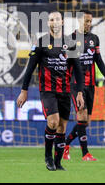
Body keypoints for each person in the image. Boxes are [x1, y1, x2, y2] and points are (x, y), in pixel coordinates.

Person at [17, 11, 85, 171]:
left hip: (65, 91)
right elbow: (30, 68)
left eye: (57, 19)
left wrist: (80, 92)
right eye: (51, 20)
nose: (54, 22)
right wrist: (24, 90)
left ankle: (58, 162)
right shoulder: (41, 43)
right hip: (47, 91)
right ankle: (48, 157)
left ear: (62, 22)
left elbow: (78, 70)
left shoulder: (71, 43)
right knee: (53, 122)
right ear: (48, 23)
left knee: (62, 127)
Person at [63, 10, 105, 161]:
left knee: (86, 121)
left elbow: (98, 59)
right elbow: (66, 64)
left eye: (91, 21)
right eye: (86, 21)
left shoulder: (94, 39)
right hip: (76, 84)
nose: (89, 24)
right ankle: (86, 154)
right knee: (81, 116)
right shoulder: (70, 39)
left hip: (90, 84)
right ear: (79, 21)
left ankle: (65, 145)